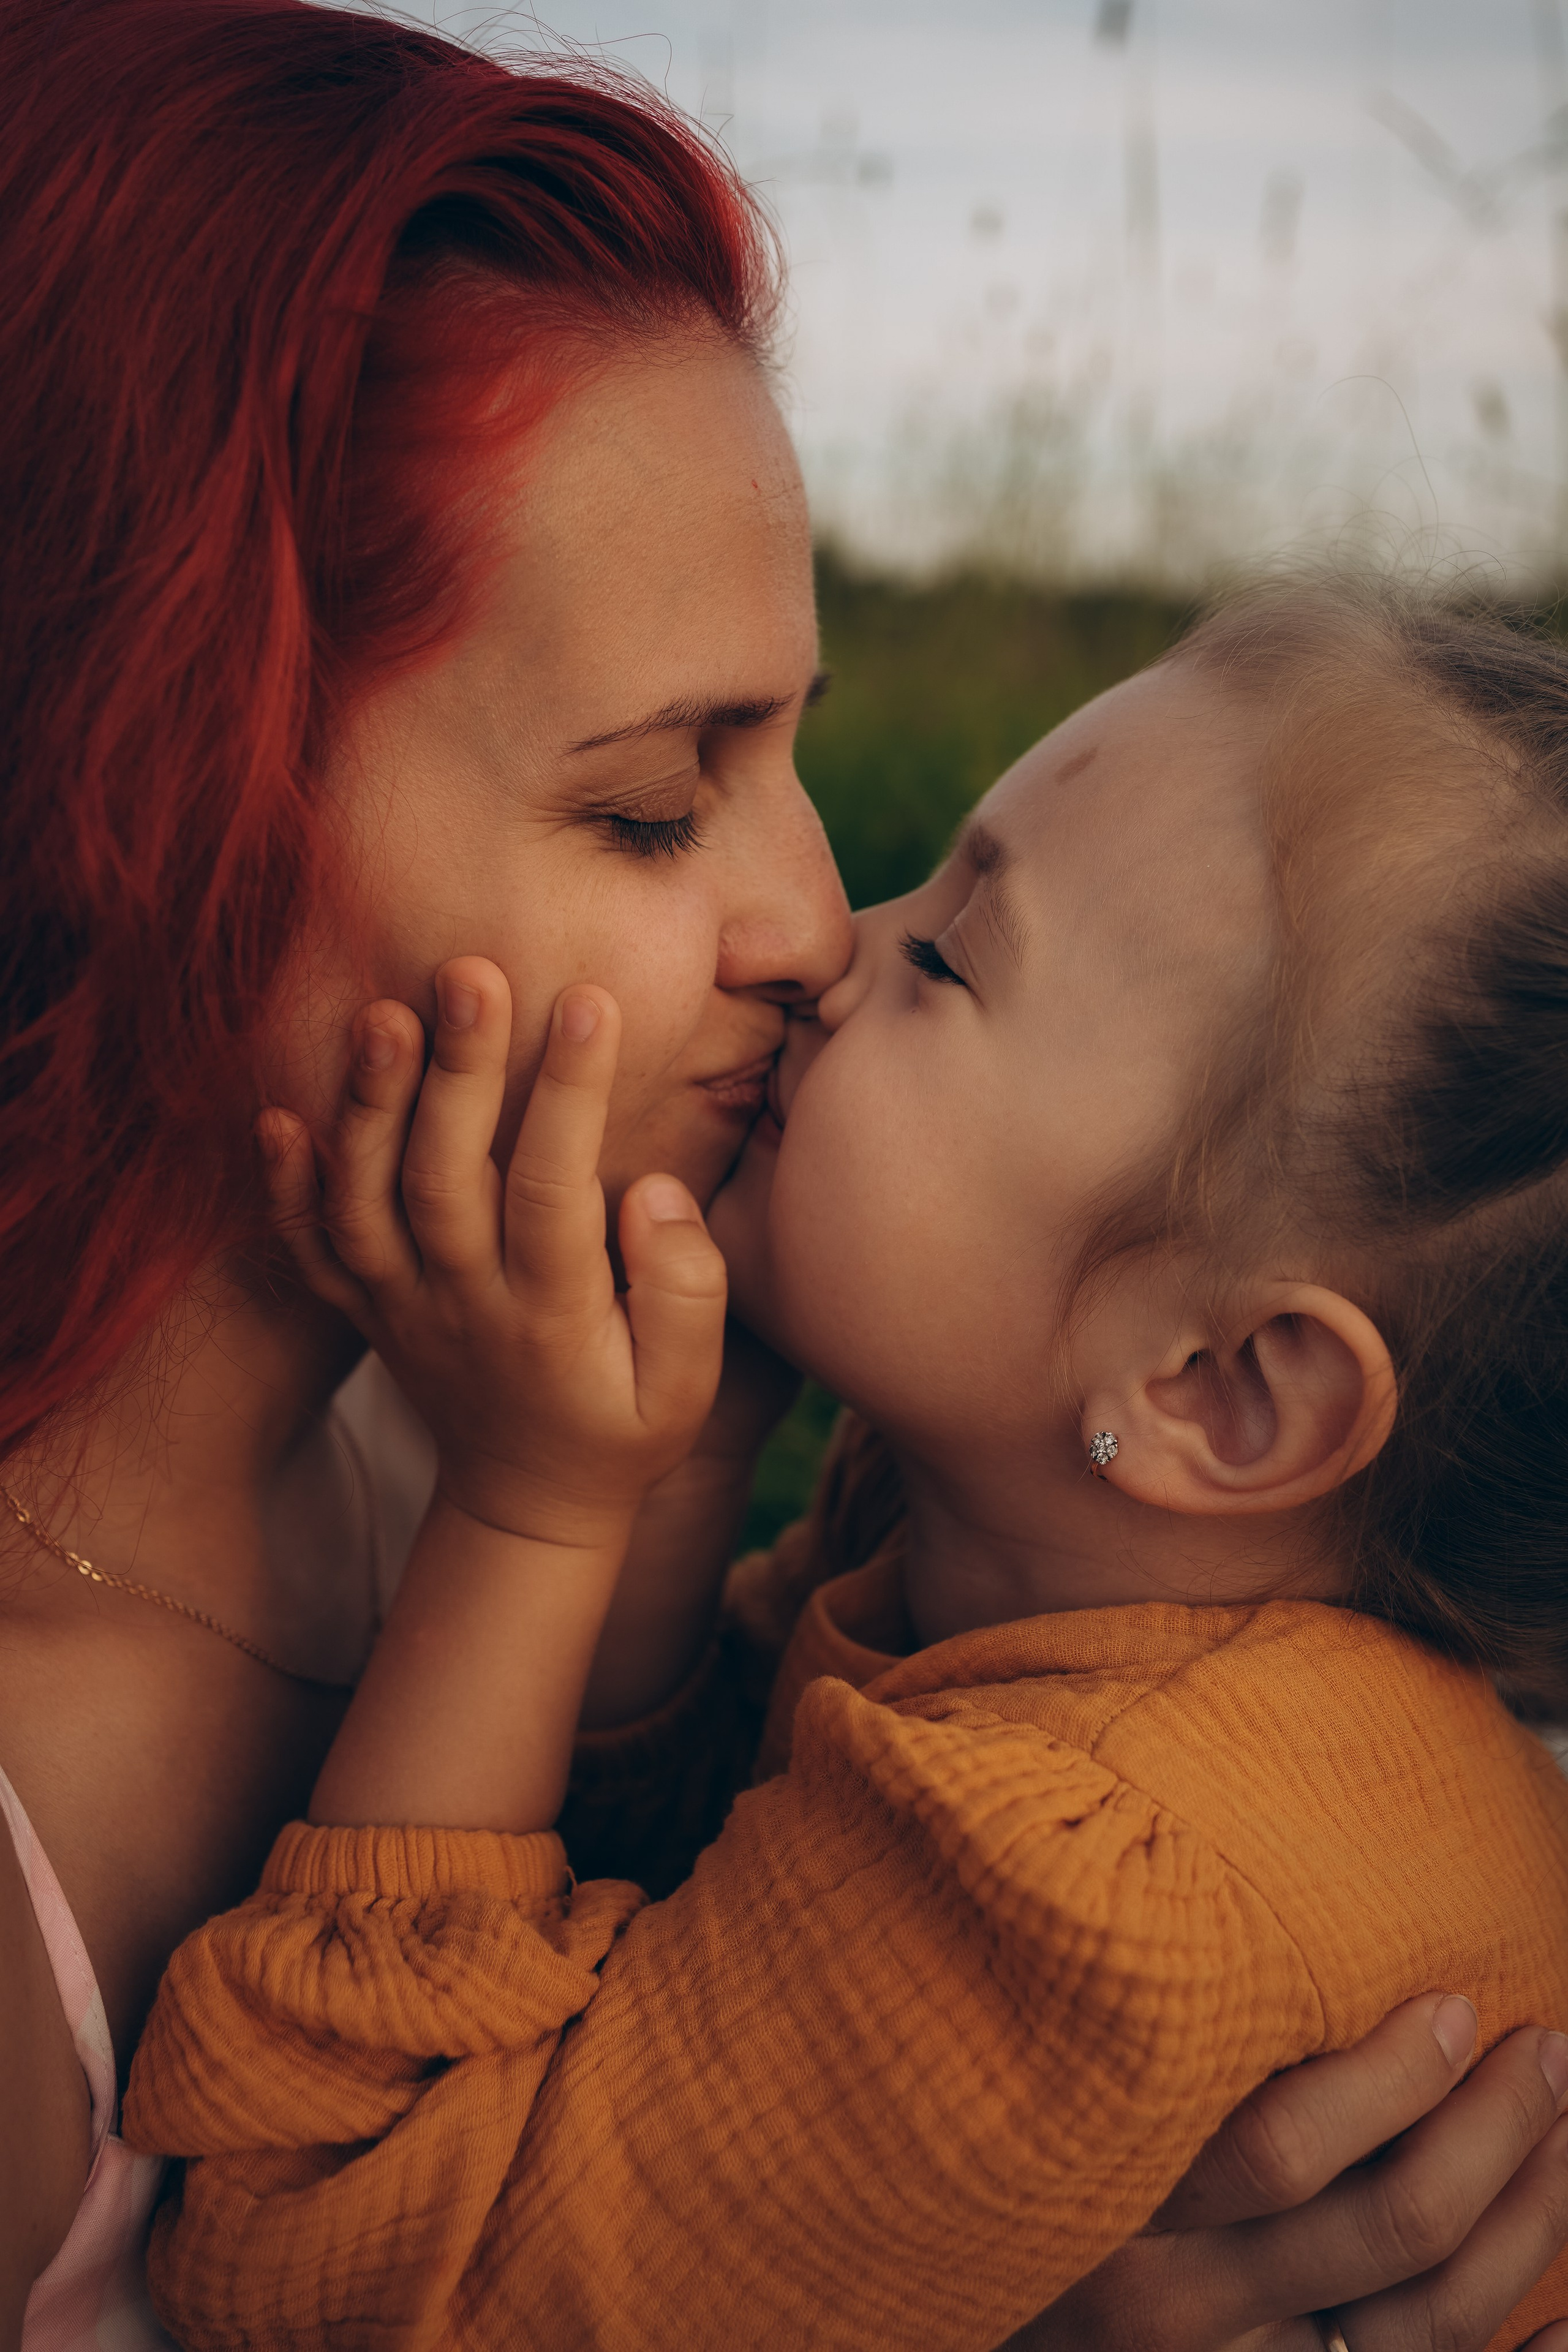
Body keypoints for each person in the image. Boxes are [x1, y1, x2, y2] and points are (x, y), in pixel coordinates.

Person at [1, 1, 1564, 2345]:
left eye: (796, 758)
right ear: (142, 794)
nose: (823, 924)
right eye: (649, 803)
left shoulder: (526, 1419)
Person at [124, 573, 1568, 2352]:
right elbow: (685, 1927)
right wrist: (680, 1464)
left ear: (1225, 1393)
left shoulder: (1092, 1887)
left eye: (953, 955)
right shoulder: (1033, 1544)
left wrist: (527, 1506)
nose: (828, 940)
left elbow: (305, 2260)